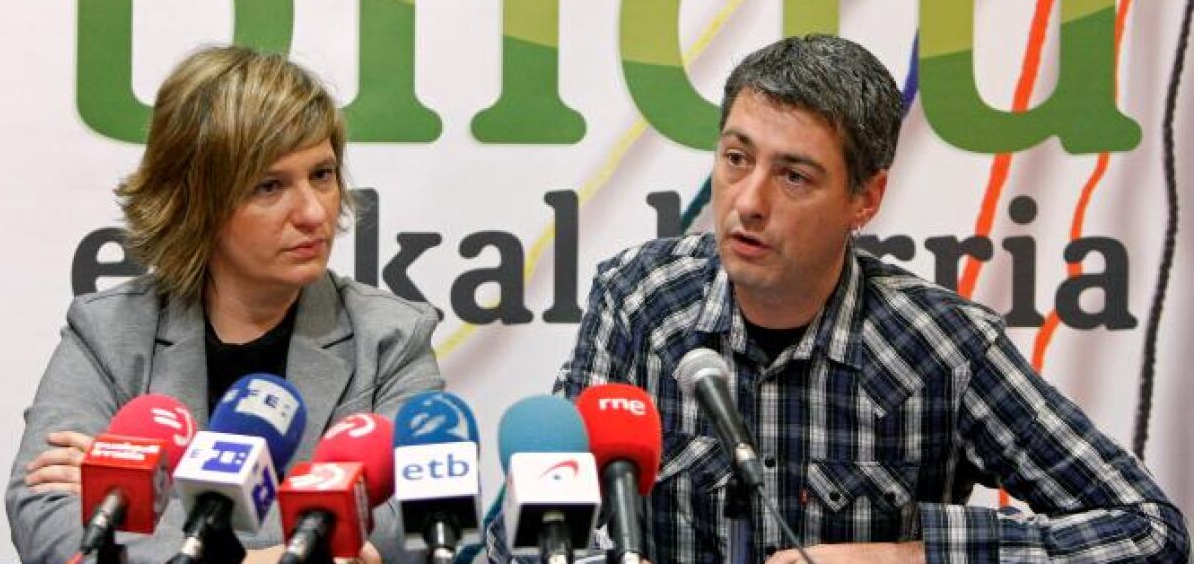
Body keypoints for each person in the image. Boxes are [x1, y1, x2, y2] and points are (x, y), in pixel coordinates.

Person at [491, 35, 1189, 563]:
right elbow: (523, 538)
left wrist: (904, 557)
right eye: (736, 159)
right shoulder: (639, 301)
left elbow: (1149, 530)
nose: (748, 202)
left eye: (793, 176)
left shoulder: (941, 346)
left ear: (865, 198)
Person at [6, 45, 444, 563]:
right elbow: (44, 512)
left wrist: (161, 515)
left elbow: (410, 523)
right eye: (270, 185)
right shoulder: (109, 331)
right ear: (196, 199)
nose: (312, 212)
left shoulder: (391, 337)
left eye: (322, 175)